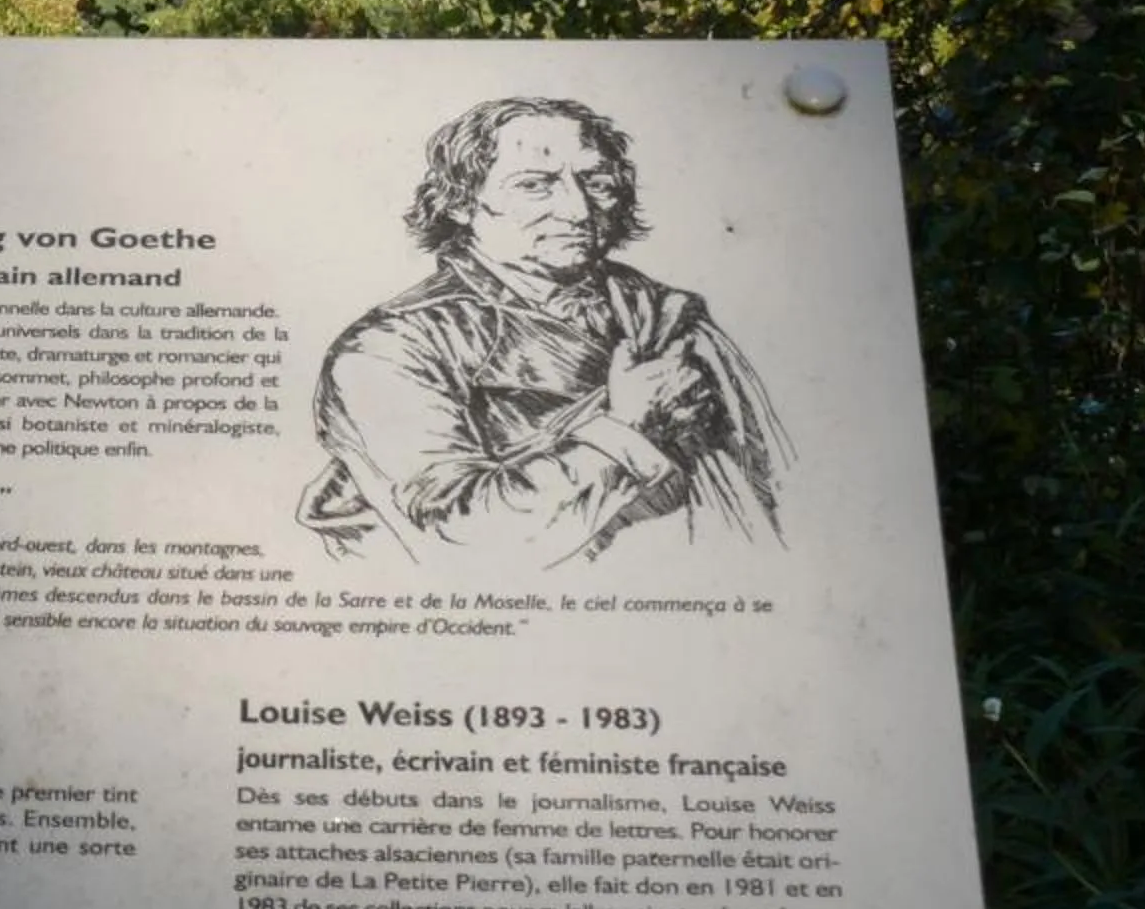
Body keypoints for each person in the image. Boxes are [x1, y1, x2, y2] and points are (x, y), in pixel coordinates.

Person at [296, 96, 789, 567]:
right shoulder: (389, 348)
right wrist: (628, 429)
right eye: (535, 185)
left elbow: (773, 485)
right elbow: (461, 539)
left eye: (596, 181)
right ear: (462, 204)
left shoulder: (665, 313)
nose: (577, 210)